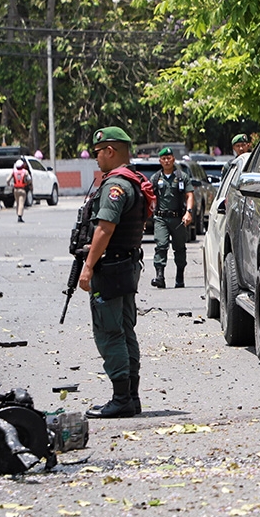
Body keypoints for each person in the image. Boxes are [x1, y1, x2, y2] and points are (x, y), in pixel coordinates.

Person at [74, 126, 154, 419]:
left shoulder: (115, 186)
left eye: (97, 152)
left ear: (110, 151)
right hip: (127, 266)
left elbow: (105, 228)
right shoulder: (133, 180)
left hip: (110, 270)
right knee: (125, 330)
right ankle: (131, 397)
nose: (95, 158)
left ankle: (121, 398)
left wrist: (88, 266)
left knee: (109, 332)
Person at [148, 147, 194, 289]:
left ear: (173, 159)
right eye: (164, 159)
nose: (167, 161)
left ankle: (179, 276)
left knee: (179, 248)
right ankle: (159, 276)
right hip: (161, 218)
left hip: (178, 218)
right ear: (160, 161)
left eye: (169, 158)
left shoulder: (181, 177)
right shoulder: (155, 178)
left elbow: (189, 195)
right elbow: (150, 198)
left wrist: (189, 212)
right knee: (161, 245)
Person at [11, 158, 30, 222]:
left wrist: (10, 184)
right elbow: (29, 179)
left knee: (17, 203)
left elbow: (7, 180)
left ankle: (18, 214)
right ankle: (20, 216)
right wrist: (27, 183)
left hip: (15, 189)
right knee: (21, 203)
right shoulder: (25, 172)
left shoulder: (14, 171)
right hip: (22, 189)